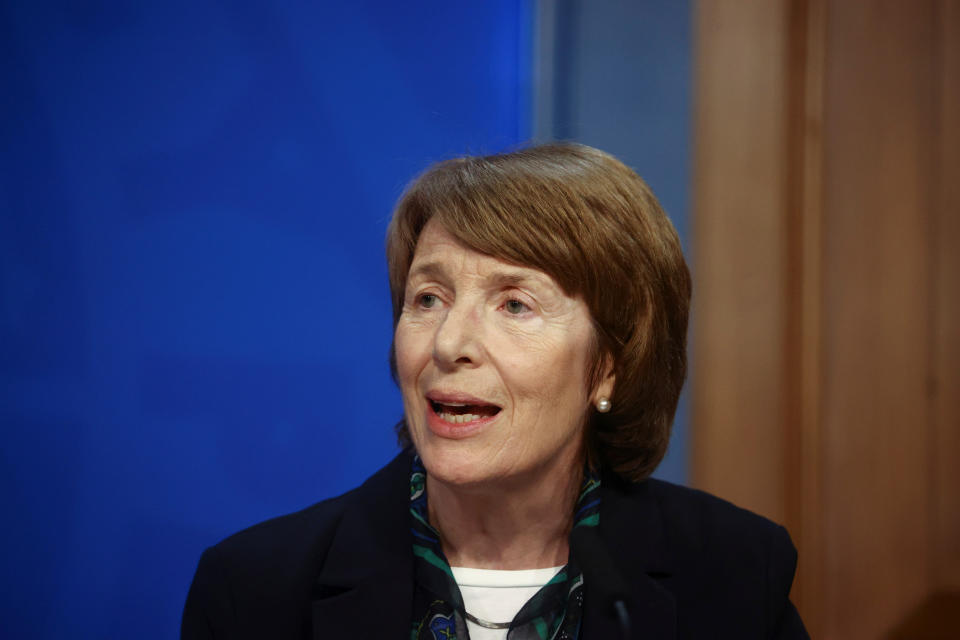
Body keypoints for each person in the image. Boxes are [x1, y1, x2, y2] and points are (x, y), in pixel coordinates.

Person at [181, 143, 808, 639]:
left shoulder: (732, 574)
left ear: (610, 365)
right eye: (428, 299)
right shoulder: (256, 589)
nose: (450, 343)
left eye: (514, 304)